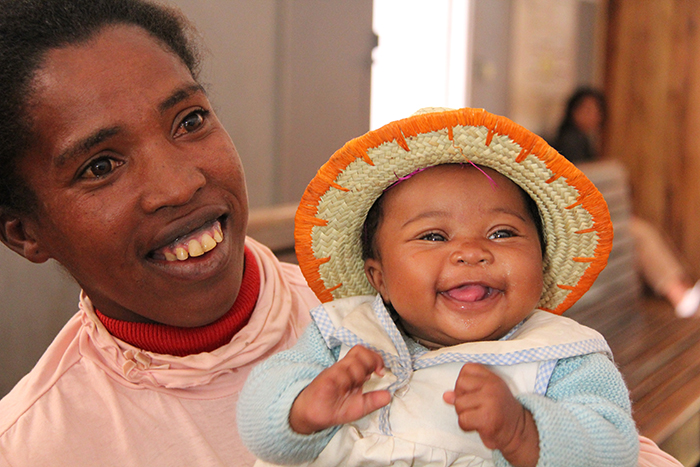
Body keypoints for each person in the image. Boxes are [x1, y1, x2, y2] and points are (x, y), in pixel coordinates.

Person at [0, 1, 320, 465]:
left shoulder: (383, 315)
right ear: (24, 233)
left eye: (190, 121)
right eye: (101, 166)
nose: (179, 184)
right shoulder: (33, 447)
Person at [237, 107, 640, 467]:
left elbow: (616, 449)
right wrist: (300, 412)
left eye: (502, 233)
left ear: (542, 258)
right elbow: (258, 426)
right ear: (380, 279)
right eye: (432, 236)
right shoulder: (344, 336)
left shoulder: (562, 354)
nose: (471, 252)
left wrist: (522, 431)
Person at [552, 87, 700, 317]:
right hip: (577, 224)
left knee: (642, 230)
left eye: (596, 111)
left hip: (589, 219)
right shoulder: (570, 143)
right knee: (640, 232)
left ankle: (681, 291)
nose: (592, 116)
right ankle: (680, 294)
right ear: (572, 111)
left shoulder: (582, 141)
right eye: (586, 109)